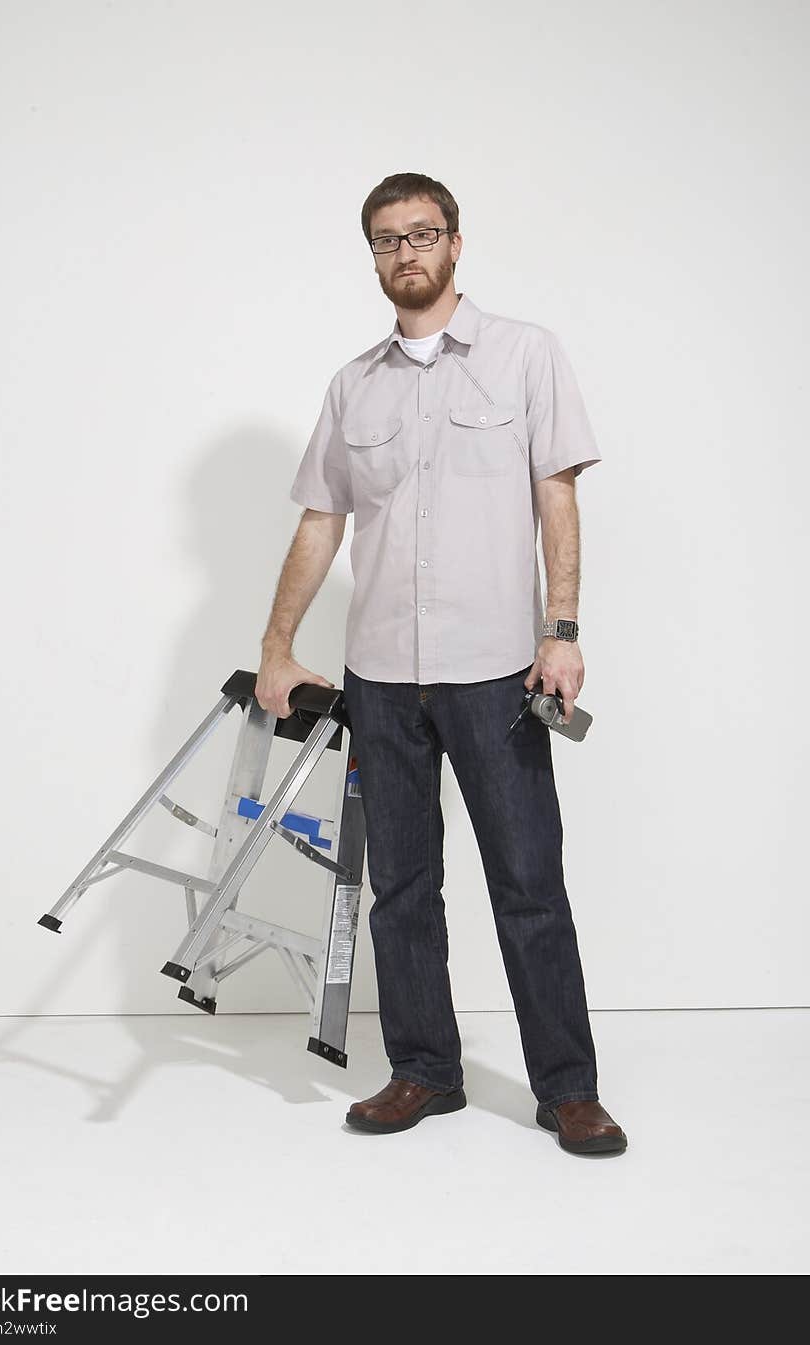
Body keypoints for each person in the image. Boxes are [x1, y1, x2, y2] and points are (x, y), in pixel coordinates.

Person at [255, 171, 626, 1157]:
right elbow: (320, 520)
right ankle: (423, 1069)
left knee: (527, 882)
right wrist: (277, 645)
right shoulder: (354, 384)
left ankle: (568, 1089)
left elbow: (557, 494)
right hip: (380, 675)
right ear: (371, 255)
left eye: (421, 234)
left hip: (495, 673)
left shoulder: (523, 356)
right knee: (403, 888)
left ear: (456, 242)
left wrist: (563, 630)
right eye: (385, 239)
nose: (404, 253)